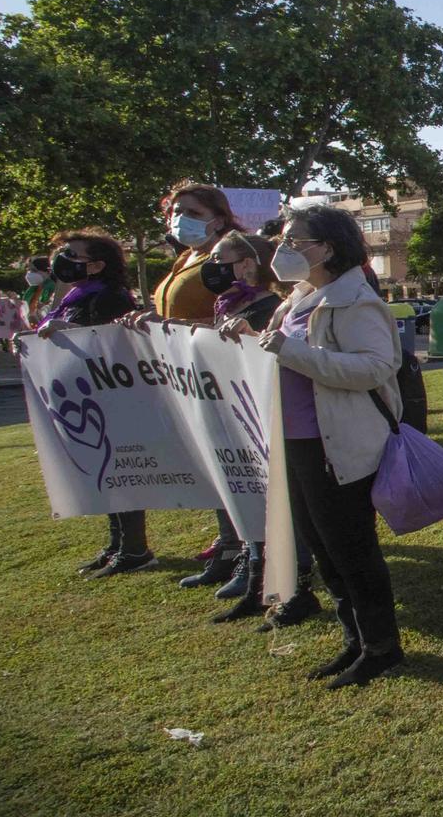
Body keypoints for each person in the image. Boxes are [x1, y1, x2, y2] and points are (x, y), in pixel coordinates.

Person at [221, 207, 405, 688]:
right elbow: (277, 351)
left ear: (328, 247)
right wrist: (248, 339)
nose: (284, 249)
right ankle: (355, 641)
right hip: (297, 443)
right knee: (325, 551)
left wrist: (287, 350)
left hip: (337, 446)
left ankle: (381, 647)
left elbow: (373, 368)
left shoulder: (354, 301)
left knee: (352, 551)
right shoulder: (299, 299)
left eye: (296, 240)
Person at [195, 233, 324, 629]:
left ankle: (293, 588)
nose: (211, 265)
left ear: (248, 263)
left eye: (222, 258)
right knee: (252, 497)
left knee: (284, 507)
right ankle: (257, 581)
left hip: (276, 419)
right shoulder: (236, 304)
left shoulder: (272, 304)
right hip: (243, 416)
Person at [130, 182, 249, 588]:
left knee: (233, 465)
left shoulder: (231, 257)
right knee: (213, 467)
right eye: (175, 210)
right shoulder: (187, 257)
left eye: (192, 212)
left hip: (221, 375)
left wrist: (175, 327)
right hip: (187, 377)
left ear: (218, 217)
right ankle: (229, 544)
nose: (180, 218)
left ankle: (243, 551)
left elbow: (241, 313)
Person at [33, 231, 148, 577]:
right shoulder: (76, 297)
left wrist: (67, 329)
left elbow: (110, 343)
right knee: (104, 471)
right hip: (84, 399)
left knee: (120, 472)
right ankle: (117, 543)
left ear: (97, 265)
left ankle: (134, 547)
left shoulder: (110, 298)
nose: (62, 259)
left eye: (73, 254)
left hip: (109, 398)